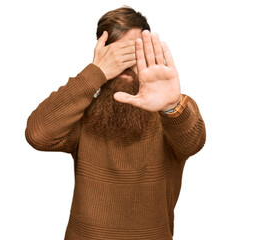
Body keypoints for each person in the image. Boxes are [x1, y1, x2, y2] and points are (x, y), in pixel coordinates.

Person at [25, 6, 206, 240]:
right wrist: (94, 73)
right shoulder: (83, 113)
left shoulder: (170, 110)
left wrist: (171, 106)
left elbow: (193, 143)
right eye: (116, 54)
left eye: (133, 53)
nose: (124, 63)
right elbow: (38, 135)